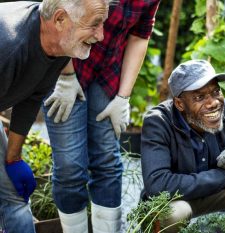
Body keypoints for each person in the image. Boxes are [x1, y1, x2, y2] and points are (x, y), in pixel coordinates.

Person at [41, 1, 161, 232]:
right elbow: (56, 18)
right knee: (70, 167)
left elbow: (140, 35)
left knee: (107, 161)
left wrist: (123, 97)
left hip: (107, 72)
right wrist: (66, 77)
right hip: (64, 63)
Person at [0, 0, 110, 233]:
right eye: (94, 24)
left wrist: (13, 157)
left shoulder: (58, 44)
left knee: (13, 195)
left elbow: (30, 96)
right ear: (60, 19)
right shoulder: (9, 45)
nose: (101, 35)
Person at [140, 59, 225, 232]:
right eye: (200, 97)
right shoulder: (158, 123)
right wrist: (223, 178)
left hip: (222, 196)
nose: (213, 103)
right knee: (172, 214)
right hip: (178, 200)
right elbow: (157, 184)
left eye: (216, 91)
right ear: (179, 104)